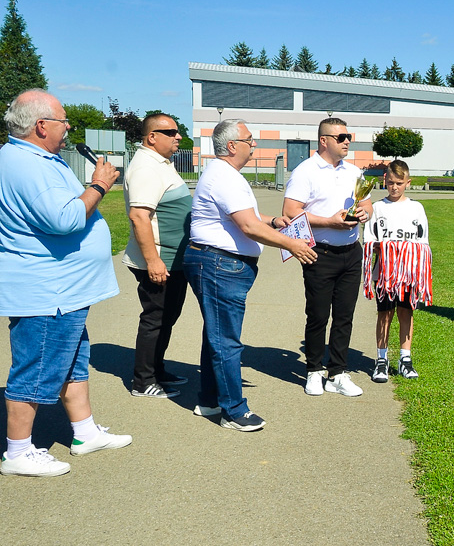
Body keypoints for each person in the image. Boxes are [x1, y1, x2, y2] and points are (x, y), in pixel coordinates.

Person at [0, 89, 131, 477]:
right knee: (36, 366)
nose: (68, 126)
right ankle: (18, 451)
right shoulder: (25, 164)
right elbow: (65, 219)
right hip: (47, 291)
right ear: (41, 125)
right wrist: (101, 184)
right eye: (63, 119)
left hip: (64, 289)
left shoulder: (39, 159)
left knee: (73, 360)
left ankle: (84, 431)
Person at [185, 119, 316, 431]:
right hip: (219, 265)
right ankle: (233, 411)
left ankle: (210, 399)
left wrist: (273, 221)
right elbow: (247, 226)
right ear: (232, 146)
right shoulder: (225, 177)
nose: (253, 144)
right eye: (249, 139)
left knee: (216, 335)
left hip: (219, 264)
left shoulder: (225, 175)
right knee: (226, 341)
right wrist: (292, 244)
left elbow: (248, 218)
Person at [284, 117, 372, 397]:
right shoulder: (306, 171)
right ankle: (313, 370)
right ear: (324, 140)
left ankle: (338, 372)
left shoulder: (353, 171)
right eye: (341, 137)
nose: (347, 141)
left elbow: (366, 202)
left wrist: (364, 213)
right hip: (319, 253)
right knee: (318, 315)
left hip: (350, 252)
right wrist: (329, 222)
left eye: (349, 137)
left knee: (345, 316)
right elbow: (290, 211)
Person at [123, 113, 192, 399]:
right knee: (155, 318)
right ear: (152, 137)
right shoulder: (145, 168)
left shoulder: (161, 164)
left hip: (174, 260)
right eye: (171, 132)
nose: (178, 136)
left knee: (167, 317)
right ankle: (143, 381)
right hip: (159, 261)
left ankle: (157, 370)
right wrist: (153, 261)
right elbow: (140, 216)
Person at [362, 160, 432, 382]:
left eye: (399, 183)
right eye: (391, 182)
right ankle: (381, 359)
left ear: (407, 183)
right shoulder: (377, 208)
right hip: (384, 273)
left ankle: (405, 358)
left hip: (408, 273)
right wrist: (384, 248)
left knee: (406, 312)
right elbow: (369, 240)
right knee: (385, 313)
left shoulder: (416, 208)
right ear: (385, 181)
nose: (394, 187)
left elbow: (423, 243)